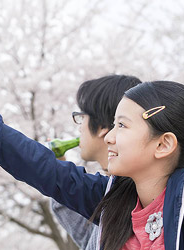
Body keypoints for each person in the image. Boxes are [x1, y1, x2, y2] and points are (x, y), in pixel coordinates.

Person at [0, 65, 184, 250]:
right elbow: (43, 169)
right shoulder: (114, 195)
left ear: (163, 145)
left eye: (122, 126)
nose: (109, 137)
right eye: (112, 124)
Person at [51, 75, 141, 249]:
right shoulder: (114, 188)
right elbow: (90, 238)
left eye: (81, 117)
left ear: (101, 127)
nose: (79, 127)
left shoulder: (137, 193)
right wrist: (60, 172)